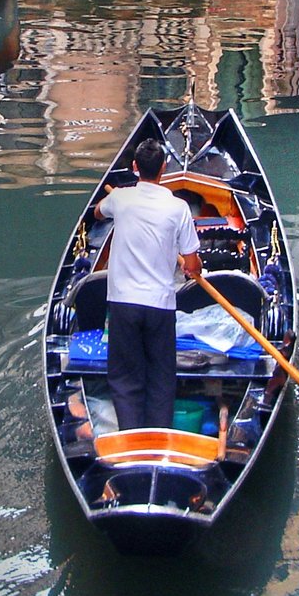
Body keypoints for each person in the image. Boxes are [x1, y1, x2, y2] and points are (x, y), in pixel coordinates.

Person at [94, 139, 203, 430]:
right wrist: (189, 266)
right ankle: (157, 440)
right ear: (164, 169)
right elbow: (192, 266)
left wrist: (115, 205)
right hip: (160, 306)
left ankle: (131, 439)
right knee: (161, 378)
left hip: (123, 304)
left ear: (134, 168)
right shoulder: (179, 208)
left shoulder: (121, 198)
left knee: (126, 378)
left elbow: (97, 213)